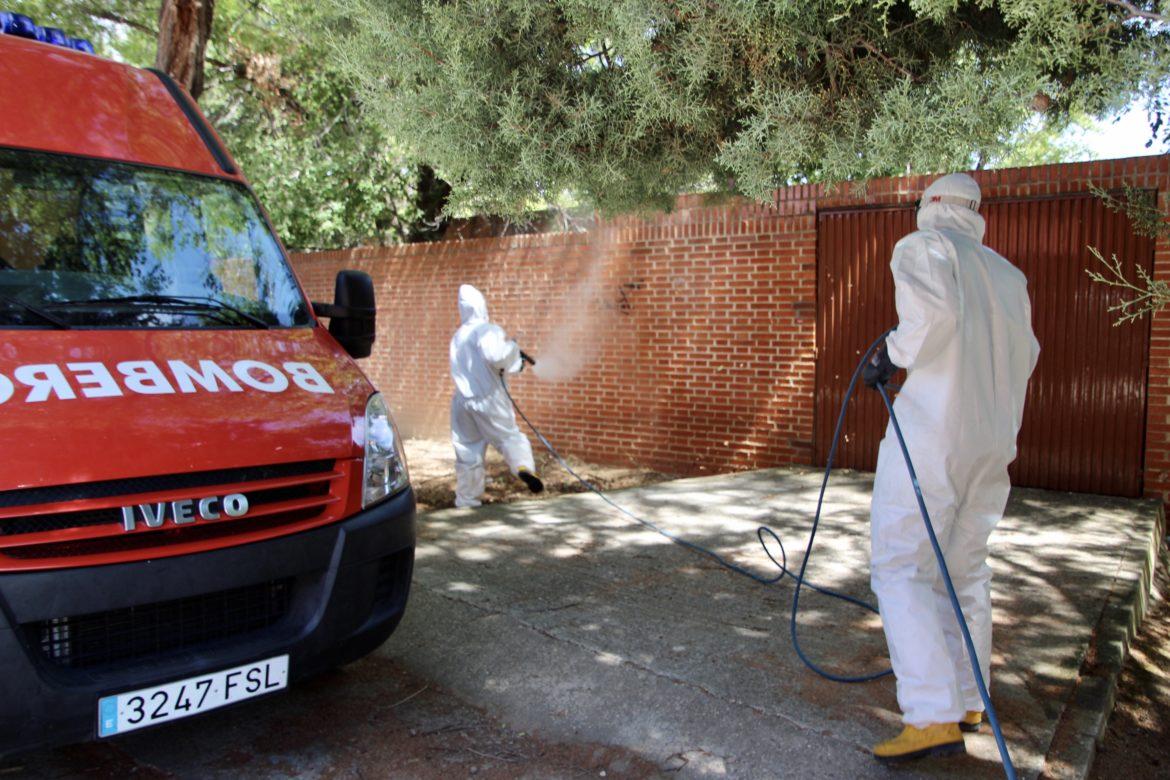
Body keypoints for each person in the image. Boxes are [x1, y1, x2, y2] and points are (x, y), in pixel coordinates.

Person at [862, 173, 1040, 763]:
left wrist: (890, 353)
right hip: (992, 442)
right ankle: (968, 698)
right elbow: (1026, 356)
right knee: (964, 569)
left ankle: (931, 715)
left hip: (935, 434)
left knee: (900, 565)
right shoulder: (1009, 276)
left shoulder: (924, 247)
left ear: (931, 207)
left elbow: (931, 321)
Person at [449, 284, 543, 507]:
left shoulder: (459, 335)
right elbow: (498, 356)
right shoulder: (487, 330)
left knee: (467, 450)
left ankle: (466, 500)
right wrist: (513, 351)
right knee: (509, 437)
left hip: (462, 402)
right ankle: (523, 467)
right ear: (481, 305)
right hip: (488, 399)